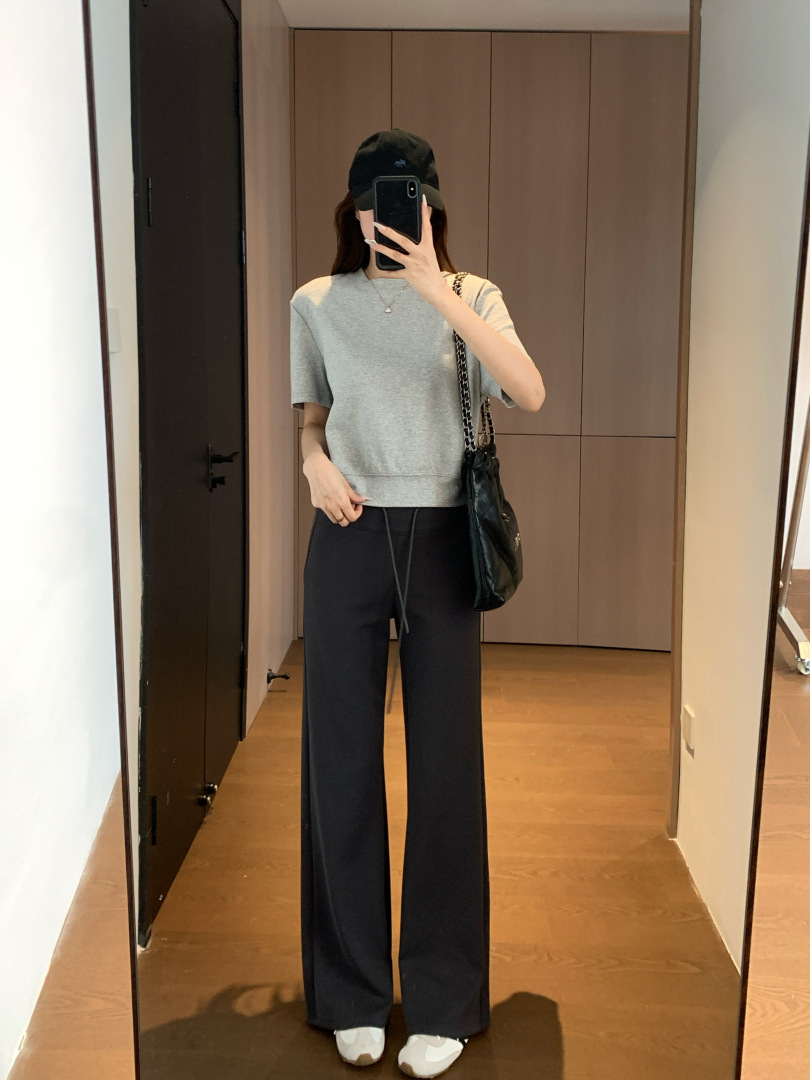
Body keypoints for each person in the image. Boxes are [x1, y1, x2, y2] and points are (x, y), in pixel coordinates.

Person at [290, 128, 544, 1079]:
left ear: (432, 209)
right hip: (348, 536)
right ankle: (350, 990)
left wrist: (439, 291)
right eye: (371, 204)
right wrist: (312, 465)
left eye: (405, 202)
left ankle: (442, 998)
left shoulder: (472, 294)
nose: (385, 219)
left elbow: (528, 390)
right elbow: (312, 422)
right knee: (339, 765)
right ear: (351, 210)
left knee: (445, 768)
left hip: (441, 542)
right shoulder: (315, 303)